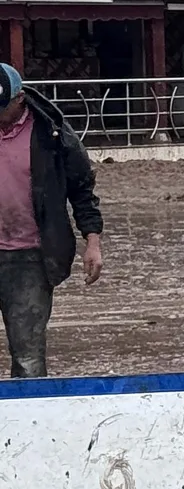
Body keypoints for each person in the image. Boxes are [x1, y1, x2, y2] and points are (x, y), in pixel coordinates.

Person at [0, 63, 102, 377]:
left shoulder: (53, 135)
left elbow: (82, 189)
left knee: (28, 356)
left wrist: (92, 243)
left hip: (29, 257)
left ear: (19, 99)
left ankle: (30, 406)